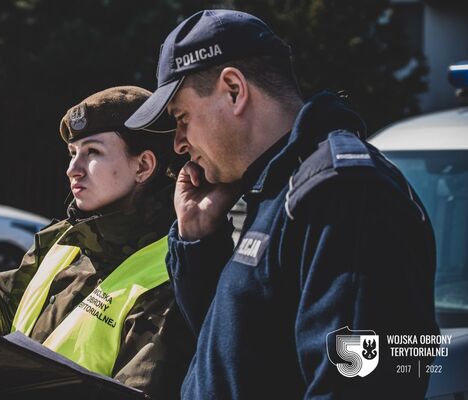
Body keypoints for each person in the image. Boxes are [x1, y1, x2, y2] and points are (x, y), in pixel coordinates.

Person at [125, 10, 439, 399]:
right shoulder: (279, 188)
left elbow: (359, 386)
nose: (178, 143)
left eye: (182, 117)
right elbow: (247, 357)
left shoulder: (344, 193)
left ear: (234, 90)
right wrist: (199, 238)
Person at [0, 86, 193, 400]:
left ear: (143, 166)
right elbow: (8, 299)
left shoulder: (171, 272)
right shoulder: (64, 236)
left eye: (93, 152)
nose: (72, 169)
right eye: (73, 153)